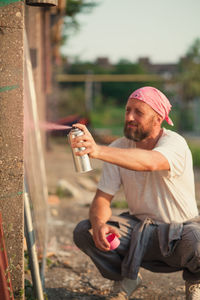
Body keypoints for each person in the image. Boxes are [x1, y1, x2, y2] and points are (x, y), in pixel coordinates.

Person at [72, 86, 200, 300]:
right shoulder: (118, 148)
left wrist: (98, 151)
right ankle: (126, 278)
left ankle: (196, 281)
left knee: (198, 239)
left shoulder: (174, 143)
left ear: (158, 119)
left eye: (138, 112)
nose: (129, 117)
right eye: (127, 110)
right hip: (139, 232)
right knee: (85, 230)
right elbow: (102, 199)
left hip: (179, 234)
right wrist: (99, 224)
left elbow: (150, 163)